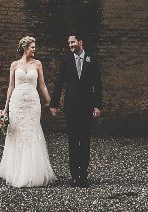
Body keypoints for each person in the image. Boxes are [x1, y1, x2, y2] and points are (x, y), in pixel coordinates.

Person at [0, 35, 56, 188]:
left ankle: (31, 173)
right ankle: (15, 170)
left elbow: (42, 85)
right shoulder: (14, 65)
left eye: (34, 47)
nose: (34, 50)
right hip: (17, 102)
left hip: (32, 102)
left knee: (31, 131)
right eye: (32, 47)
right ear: (25, 48)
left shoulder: (38, 64)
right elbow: (11, 86)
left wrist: (50, 103)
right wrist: (5, 107)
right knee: (16, 132)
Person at [50, 33, 102, 187]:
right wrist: (54, 104)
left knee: (85, 141)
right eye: (69, 43)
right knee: (73, 142)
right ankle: (74, 176)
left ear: (80, 41)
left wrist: (97, 105)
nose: (70, 45)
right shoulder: (65, 60)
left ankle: (83, 175)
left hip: (87, 107)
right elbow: (59, 82)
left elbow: (97, 84)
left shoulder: (91, 60)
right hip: (71, 107)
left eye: (72, 42)